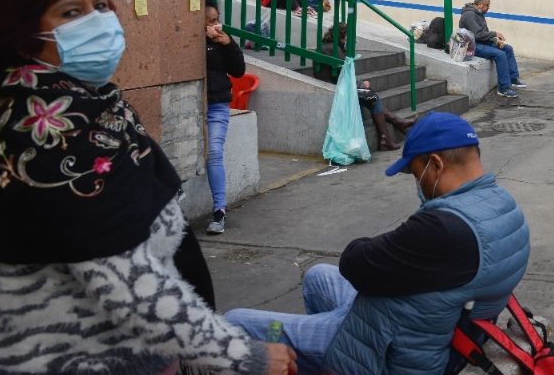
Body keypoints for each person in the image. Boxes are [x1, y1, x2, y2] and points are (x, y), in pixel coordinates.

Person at [0, 0, 295, 374]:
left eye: (102, 6)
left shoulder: (60, 97)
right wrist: (238, 356)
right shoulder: (49, 121)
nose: (98, 22)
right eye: (71, 12)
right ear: (25, 34)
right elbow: (119, 274)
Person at [224, 112, 531, 375]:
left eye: (415, 173)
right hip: (423, 321)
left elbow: (355, 261)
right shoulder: (502, 203)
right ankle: (317, 346)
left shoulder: (443, 229)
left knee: (235, 322)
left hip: (394, 353)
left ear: (435, 164)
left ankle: (328, 352)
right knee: (318, 276)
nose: (418, 183)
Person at [205, 4, 246, 234]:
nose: (215, 25)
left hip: (218, 105)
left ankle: (219, 210)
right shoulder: (191, 42)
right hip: (193, 106)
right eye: (210, 22)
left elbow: (239, 70)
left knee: (215, 152)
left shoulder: (222, 42)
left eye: (217, 20)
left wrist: (229, 44)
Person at [460, 0, 525, 98]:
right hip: (472, 45)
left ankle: (513, 79)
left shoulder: (479, 14)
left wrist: (495, 40)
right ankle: (503, 89)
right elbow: (478, 35)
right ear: (480, 5)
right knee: (500, 54)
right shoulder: (469, 15)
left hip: (481, 42)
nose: (488, 8)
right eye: (487, 5)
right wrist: (495, 34)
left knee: (507, 48)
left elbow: (483, 34)